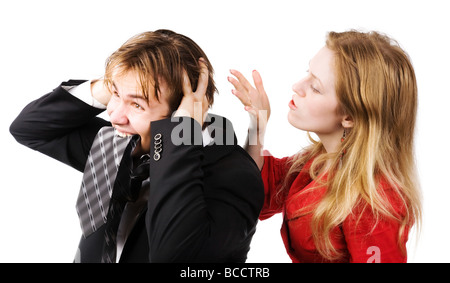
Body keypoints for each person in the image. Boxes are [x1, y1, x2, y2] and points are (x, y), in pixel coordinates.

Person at [10, 29, 264, 263]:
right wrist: (117, 82)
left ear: (182, 113)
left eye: (137, 105)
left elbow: (172, 255)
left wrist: (180, 134)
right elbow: (29, 129)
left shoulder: (236, 176)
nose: (115, 116)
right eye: (115, 94)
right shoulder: (117, 143)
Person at [228, 30, 422, 263]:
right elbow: (256, 188)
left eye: (316, 87)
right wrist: (257, 124)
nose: (297, 86)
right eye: (307, 73)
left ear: (349, 116)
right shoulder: (317, 162)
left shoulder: (373, 203)